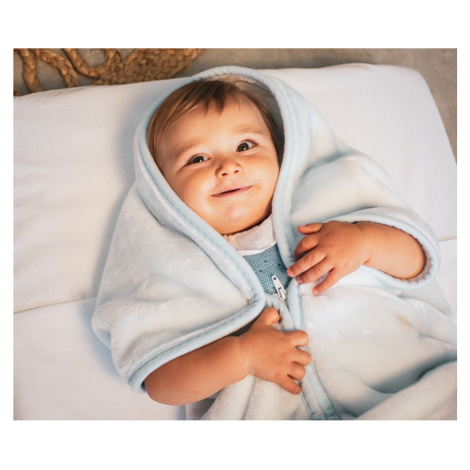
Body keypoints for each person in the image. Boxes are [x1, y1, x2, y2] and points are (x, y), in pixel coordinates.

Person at [92, 67, 456, 420]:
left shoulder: (333, 211)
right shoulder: (172, 270)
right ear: (163, 191)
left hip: (410, 393)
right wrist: (240, 356)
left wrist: (364, 241)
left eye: (245, 145)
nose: (228, 166)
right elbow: (160, 382)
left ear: (282, 155)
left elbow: (418, 263)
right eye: (197, 158)